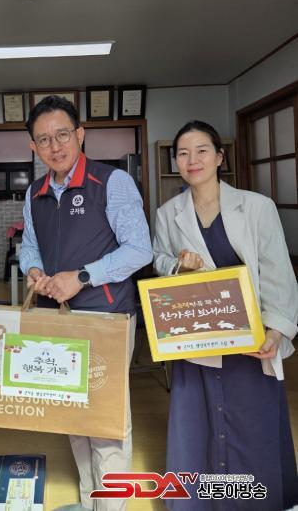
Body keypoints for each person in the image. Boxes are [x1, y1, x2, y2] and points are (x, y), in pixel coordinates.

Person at [153, 120, 298, 510]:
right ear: (176, 162)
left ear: (219, 157)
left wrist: (276, 329)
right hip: (198, 339)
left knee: (251, 426)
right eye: (183, 153)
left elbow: (278, 271)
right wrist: (177, 265)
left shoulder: (256, 207)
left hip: (250, 341)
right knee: (197, 426)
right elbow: (158, 259)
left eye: (202, 151)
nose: (192, 160)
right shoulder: (168, 213)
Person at [19, 95, 153, 511]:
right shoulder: (36, 192)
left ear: (80, 134)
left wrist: (81, 277)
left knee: (108, 421)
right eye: (44, 139)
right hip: (58, 319)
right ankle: (90, 501)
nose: (55, 146)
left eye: (62, 134)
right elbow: (29, 245)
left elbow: (140, 249)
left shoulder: (112, 182)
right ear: (33, 147)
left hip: (106, 316)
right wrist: (34, 271)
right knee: (74, 417)